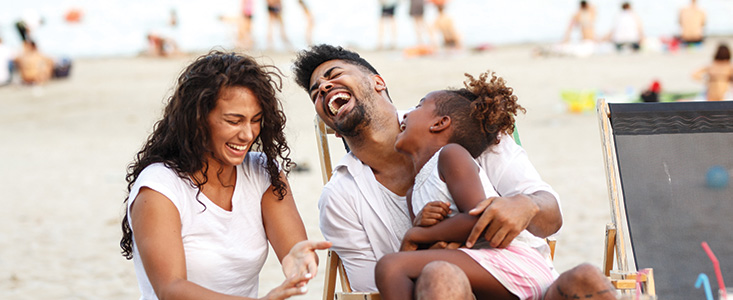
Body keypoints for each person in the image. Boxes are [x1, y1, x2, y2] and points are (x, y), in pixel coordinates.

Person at [291, 44, 616, 299]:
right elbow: (369, 291)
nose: (323, 87)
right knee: (440, 275)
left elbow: (550, 217)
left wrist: (526, 204)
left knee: (586, 278)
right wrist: (425, 244)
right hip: (441, 289)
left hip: (516, 277)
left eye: (333, 75)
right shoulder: (340, 198)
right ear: (330, 126)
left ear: (377, 82)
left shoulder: (464, 134)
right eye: (315, 91)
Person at [119, 51, 331, 299]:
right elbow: (171, 289)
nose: (247, 134)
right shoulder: (159, 188)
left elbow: (294, 250)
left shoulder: (263, 173)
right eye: (234, 121)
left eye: (256, 120)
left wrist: (299, 261)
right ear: (197, 119)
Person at [375, 72, 558, 300]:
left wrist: (418, 234)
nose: (406, 114)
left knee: (391, 266)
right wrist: (420, 235)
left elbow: (479, 218)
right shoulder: (414, 192)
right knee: (398, 267)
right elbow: (428, 247)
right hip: (477, 271)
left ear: (440, 123)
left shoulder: (451, 156)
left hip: (513, 262)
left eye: (418, 106)